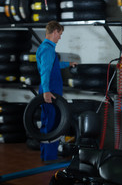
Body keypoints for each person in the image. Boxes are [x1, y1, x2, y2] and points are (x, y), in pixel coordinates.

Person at [36, 20, 77, 162]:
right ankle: (50, 157)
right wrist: (47, 91)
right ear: (54, 32)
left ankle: (45, 155)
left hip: (49, 90)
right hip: (50, 91)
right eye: (59, 34)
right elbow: (45, 72)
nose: (60, 37)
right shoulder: (48, 49)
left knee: (47, 121)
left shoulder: (45, 47)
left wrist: (68, 64)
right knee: (53, 123)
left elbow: (52, 65)